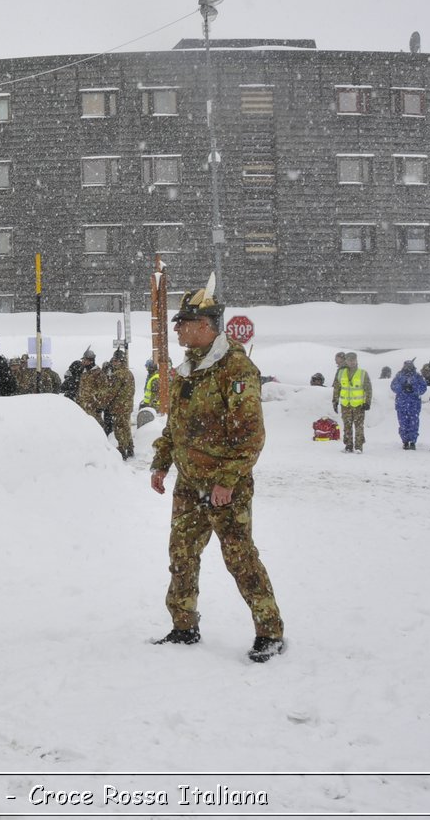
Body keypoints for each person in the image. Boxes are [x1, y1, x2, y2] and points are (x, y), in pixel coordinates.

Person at [147, 283, 285, 664]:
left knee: (240, 557)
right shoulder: (188, 370)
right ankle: (184, 625)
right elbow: (175, 427)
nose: (176, 330)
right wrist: (161, 463)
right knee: (182, 555)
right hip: (188, 484)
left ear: (204, 325)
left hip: (226, 486)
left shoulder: (236, 369)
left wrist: (227, 481)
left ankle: (269, 631)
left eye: (182, 323)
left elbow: (250, 436)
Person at [332, 351, 372, 453]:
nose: (352, 362)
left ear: (356, 360)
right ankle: (348, 446)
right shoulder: (341, 373)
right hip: (345, 404)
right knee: (347, 426)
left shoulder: (363, 373)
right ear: (346, 361)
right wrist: (335, 401)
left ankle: (358, 447)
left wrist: (367, 402)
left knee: (359, 427)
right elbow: (337, 388)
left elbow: (368, 389)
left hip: (359, 405)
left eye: (353, 360)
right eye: (349, 360)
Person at [390, 359, 428, 450]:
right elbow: (393, 386)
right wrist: (402, 387)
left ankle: (413, 442)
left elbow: (423, 388)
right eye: (406, 366)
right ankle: (405, 441)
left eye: (410, 366)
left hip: (414, 404)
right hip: (401, 404)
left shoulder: (417, 376)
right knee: (403, 423)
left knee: (413, 424)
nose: (408, 368)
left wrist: (413, 388)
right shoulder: (399, 376)